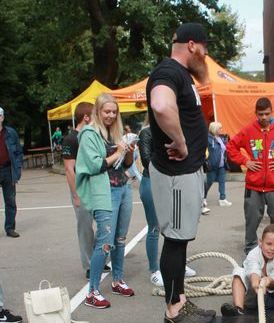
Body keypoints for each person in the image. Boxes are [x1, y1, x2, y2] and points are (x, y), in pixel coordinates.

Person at [146, 22, 216, 323]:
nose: (206, 54)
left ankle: (180, 300)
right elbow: (161, 105)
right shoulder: (168, 71)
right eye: (204, 47)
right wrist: (181, 141)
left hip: (185, 173)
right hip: (175, 174)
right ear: (191, 45)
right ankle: (174, 309)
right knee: (175, 240)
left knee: (181, 239)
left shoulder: (181, 75)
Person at [76, 93, 135, 309]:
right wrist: (118, 151)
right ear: (98, 111)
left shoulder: (116, 132)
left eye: (114, 112)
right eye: (107, 111)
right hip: (104, 192)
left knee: (120, 239)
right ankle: (92, 292)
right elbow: (94, 165)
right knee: (105, 242)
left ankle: (117, 280)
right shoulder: (89, 134)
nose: (111, 115)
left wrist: (129, 152)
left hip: (123, 188)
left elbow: (126, 165)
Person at [226, 97, 274, 255]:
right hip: (253, 188)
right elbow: (231, 147)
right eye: (260, 114)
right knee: (251, 223)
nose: (264, 117)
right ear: (256, 113)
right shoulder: (248, 131)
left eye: (267, 113)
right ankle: (251, 254)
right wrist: (245, 161)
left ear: (272, 112)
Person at [137, 121, 197, 287]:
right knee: (155, 227)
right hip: (152, 181)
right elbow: (146, 160)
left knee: (176, 226)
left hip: (173, 181)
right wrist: (171, 157)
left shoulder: (173, 131)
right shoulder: (147, 133)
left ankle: (178, 264)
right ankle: (154, 270)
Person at [62, 102, 110, 279]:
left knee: (105, 225)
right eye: (95, 115)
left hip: (97, 186)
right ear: (86, 117)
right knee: (85, 228)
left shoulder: (93, 135)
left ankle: (99, 258)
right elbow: (69, 170)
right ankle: (89, 264)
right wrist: (76, 195)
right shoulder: (71, 139)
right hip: (81, 188)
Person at [220, 224, 274, 316]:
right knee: (238, 272)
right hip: (252, 298)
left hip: (273, 298)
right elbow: (254, 270)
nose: (272, 248)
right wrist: (257, 284)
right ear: (260, 242)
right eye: (269, 244)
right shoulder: (253, 254)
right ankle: (238, 309)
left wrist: (267, 281)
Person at [0, 107, 23, 238]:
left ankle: (10, 228)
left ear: (2, 118)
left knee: (10, 201)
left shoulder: (11, 133)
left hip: (8, 170)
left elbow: (19, 152)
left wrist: (18, 168)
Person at [204, 121, 232, 207]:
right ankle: (202, 197)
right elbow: (204, 150)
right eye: (220, 128)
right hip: (212, 165)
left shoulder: (221, 138)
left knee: (222, 181)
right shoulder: (208, 138)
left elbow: (224, 149)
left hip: (221, 164)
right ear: (215, 129)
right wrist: (207, 161)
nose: (221, 129)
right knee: (209, 182)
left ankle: (222, 199)